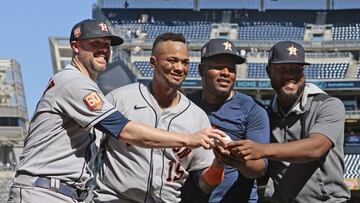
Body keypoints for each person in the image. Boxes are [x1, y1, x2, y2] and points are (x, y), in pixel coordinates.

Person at [7, 20, 226, 203]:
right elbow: (123, 130)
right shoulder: (73, 82)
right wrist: (188, 139)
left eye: (107, 44)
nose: (103, 49)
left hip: (62, 193)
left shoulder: (87, 87)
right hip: (43, 191)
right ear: (75, 47)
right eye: (94, 43)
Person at [94, 33, 225, 203]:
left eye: (185, 62)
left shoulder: (197, 117)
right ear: (153, 63)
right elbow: (90, 150)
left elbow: (205, 185)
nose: (179, 68)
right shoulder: (120, 99)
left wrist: (219, 165)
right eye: (172, 60)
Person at [228, 41, 351, 202]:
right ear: (268, 71)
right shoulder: (266, 114)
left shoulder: (328, 104)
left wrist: (262, 149)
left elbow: (317, 147)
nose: (290, 76)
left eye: (296, 69)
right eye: (282, 69)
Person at [182, 38, 270, 203]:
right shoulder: (186, 105)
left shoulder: (252, 109)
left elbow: (259, 168)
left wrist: (235, 160)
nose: (225, 72)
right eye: (217, 67)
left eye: (231, 68)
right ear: (201, 70)